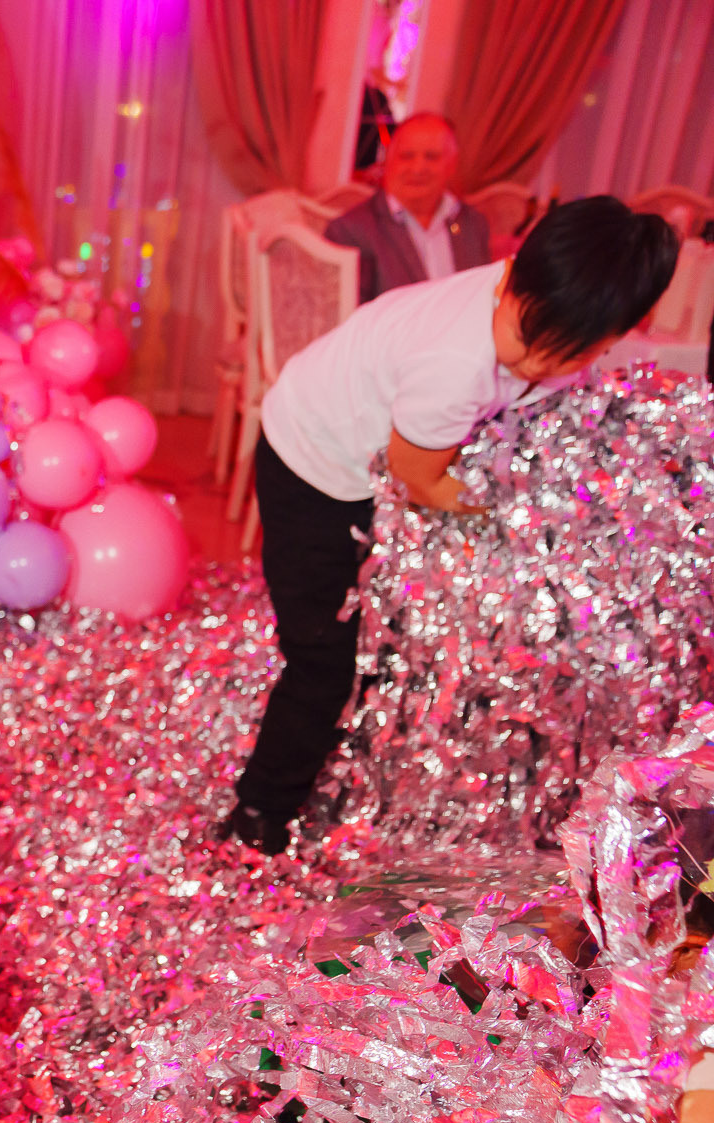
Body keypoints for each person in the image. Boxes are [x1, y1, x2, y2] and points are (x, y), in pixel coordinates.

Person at [219, 198, 680, 855]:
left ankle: (345, 761)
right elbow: (419, 478)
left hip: (371, 454)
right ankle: (257, 812)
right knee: (325, 656)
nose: (529, 365)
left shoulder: (534, 298)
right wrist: (496, 518)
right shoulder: (453, 362)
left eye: (563, 356)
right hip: (311, 461)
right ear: (518, 270)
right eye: (526, 338)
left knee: (381, 636)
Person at [325, 113, 492, 306]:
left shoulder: (472, 224)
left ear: (451, 164)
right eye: (406, 156)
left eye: (431, 157)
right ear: (388, 161)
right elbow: (351, 319)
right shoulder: (351, 231)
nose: (418, 168)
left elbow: (484, 299)